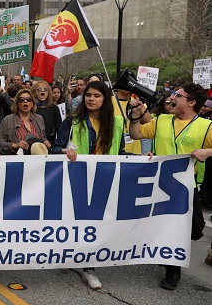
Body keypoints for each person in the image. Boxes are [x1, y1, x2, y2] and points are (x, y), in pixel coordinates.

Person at [129, 82, 212, 290]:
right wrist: (136, 115)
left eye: (179, 95)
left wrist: (207, 152)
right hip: (158, 185)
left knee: (195, 229)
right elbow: (136, 134)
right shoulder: (162, 120)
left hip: (185, 187)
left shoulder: (206, 126)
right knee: (172, 229)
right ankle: (172, 271)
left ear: (191, 102)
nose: (172, 98)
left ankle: (165, 253)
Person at [51, 81, 126, 290]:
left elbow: (120, 155)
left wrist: (144, 158)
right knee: (74, 222)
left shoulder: (118, 123)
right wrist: (64, 151)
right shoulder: (73, 121)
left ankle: (89, 268)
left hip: (103, 180)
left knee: (95, 225)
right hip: (77, 179)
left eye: (96, 96)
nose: (91, 99)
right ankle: (69, 254)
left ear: (105, 100)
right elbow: (56, 147)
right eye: (88, 95)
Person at [0, 89, 50, 155]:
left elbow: (43, 138)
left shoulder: (39, 119)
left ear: (32, 104)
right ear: (17, 104)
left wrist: (46, 142)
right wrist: (14, 145)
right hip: (17, 162)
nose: (25, 101)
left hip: (38, 162)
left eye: (29, 99)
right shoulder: (7, 120)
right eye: (21, 99)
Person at [33, 81, 63, 145]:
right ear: (35, 92)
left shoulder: (54, 108)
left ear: (48, 93)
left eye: (45, 89)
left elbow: (59, 128)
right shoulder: (31, 108)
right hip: (34, 144)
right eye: (39, 89)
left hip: (50, 144)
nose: (42, 91)